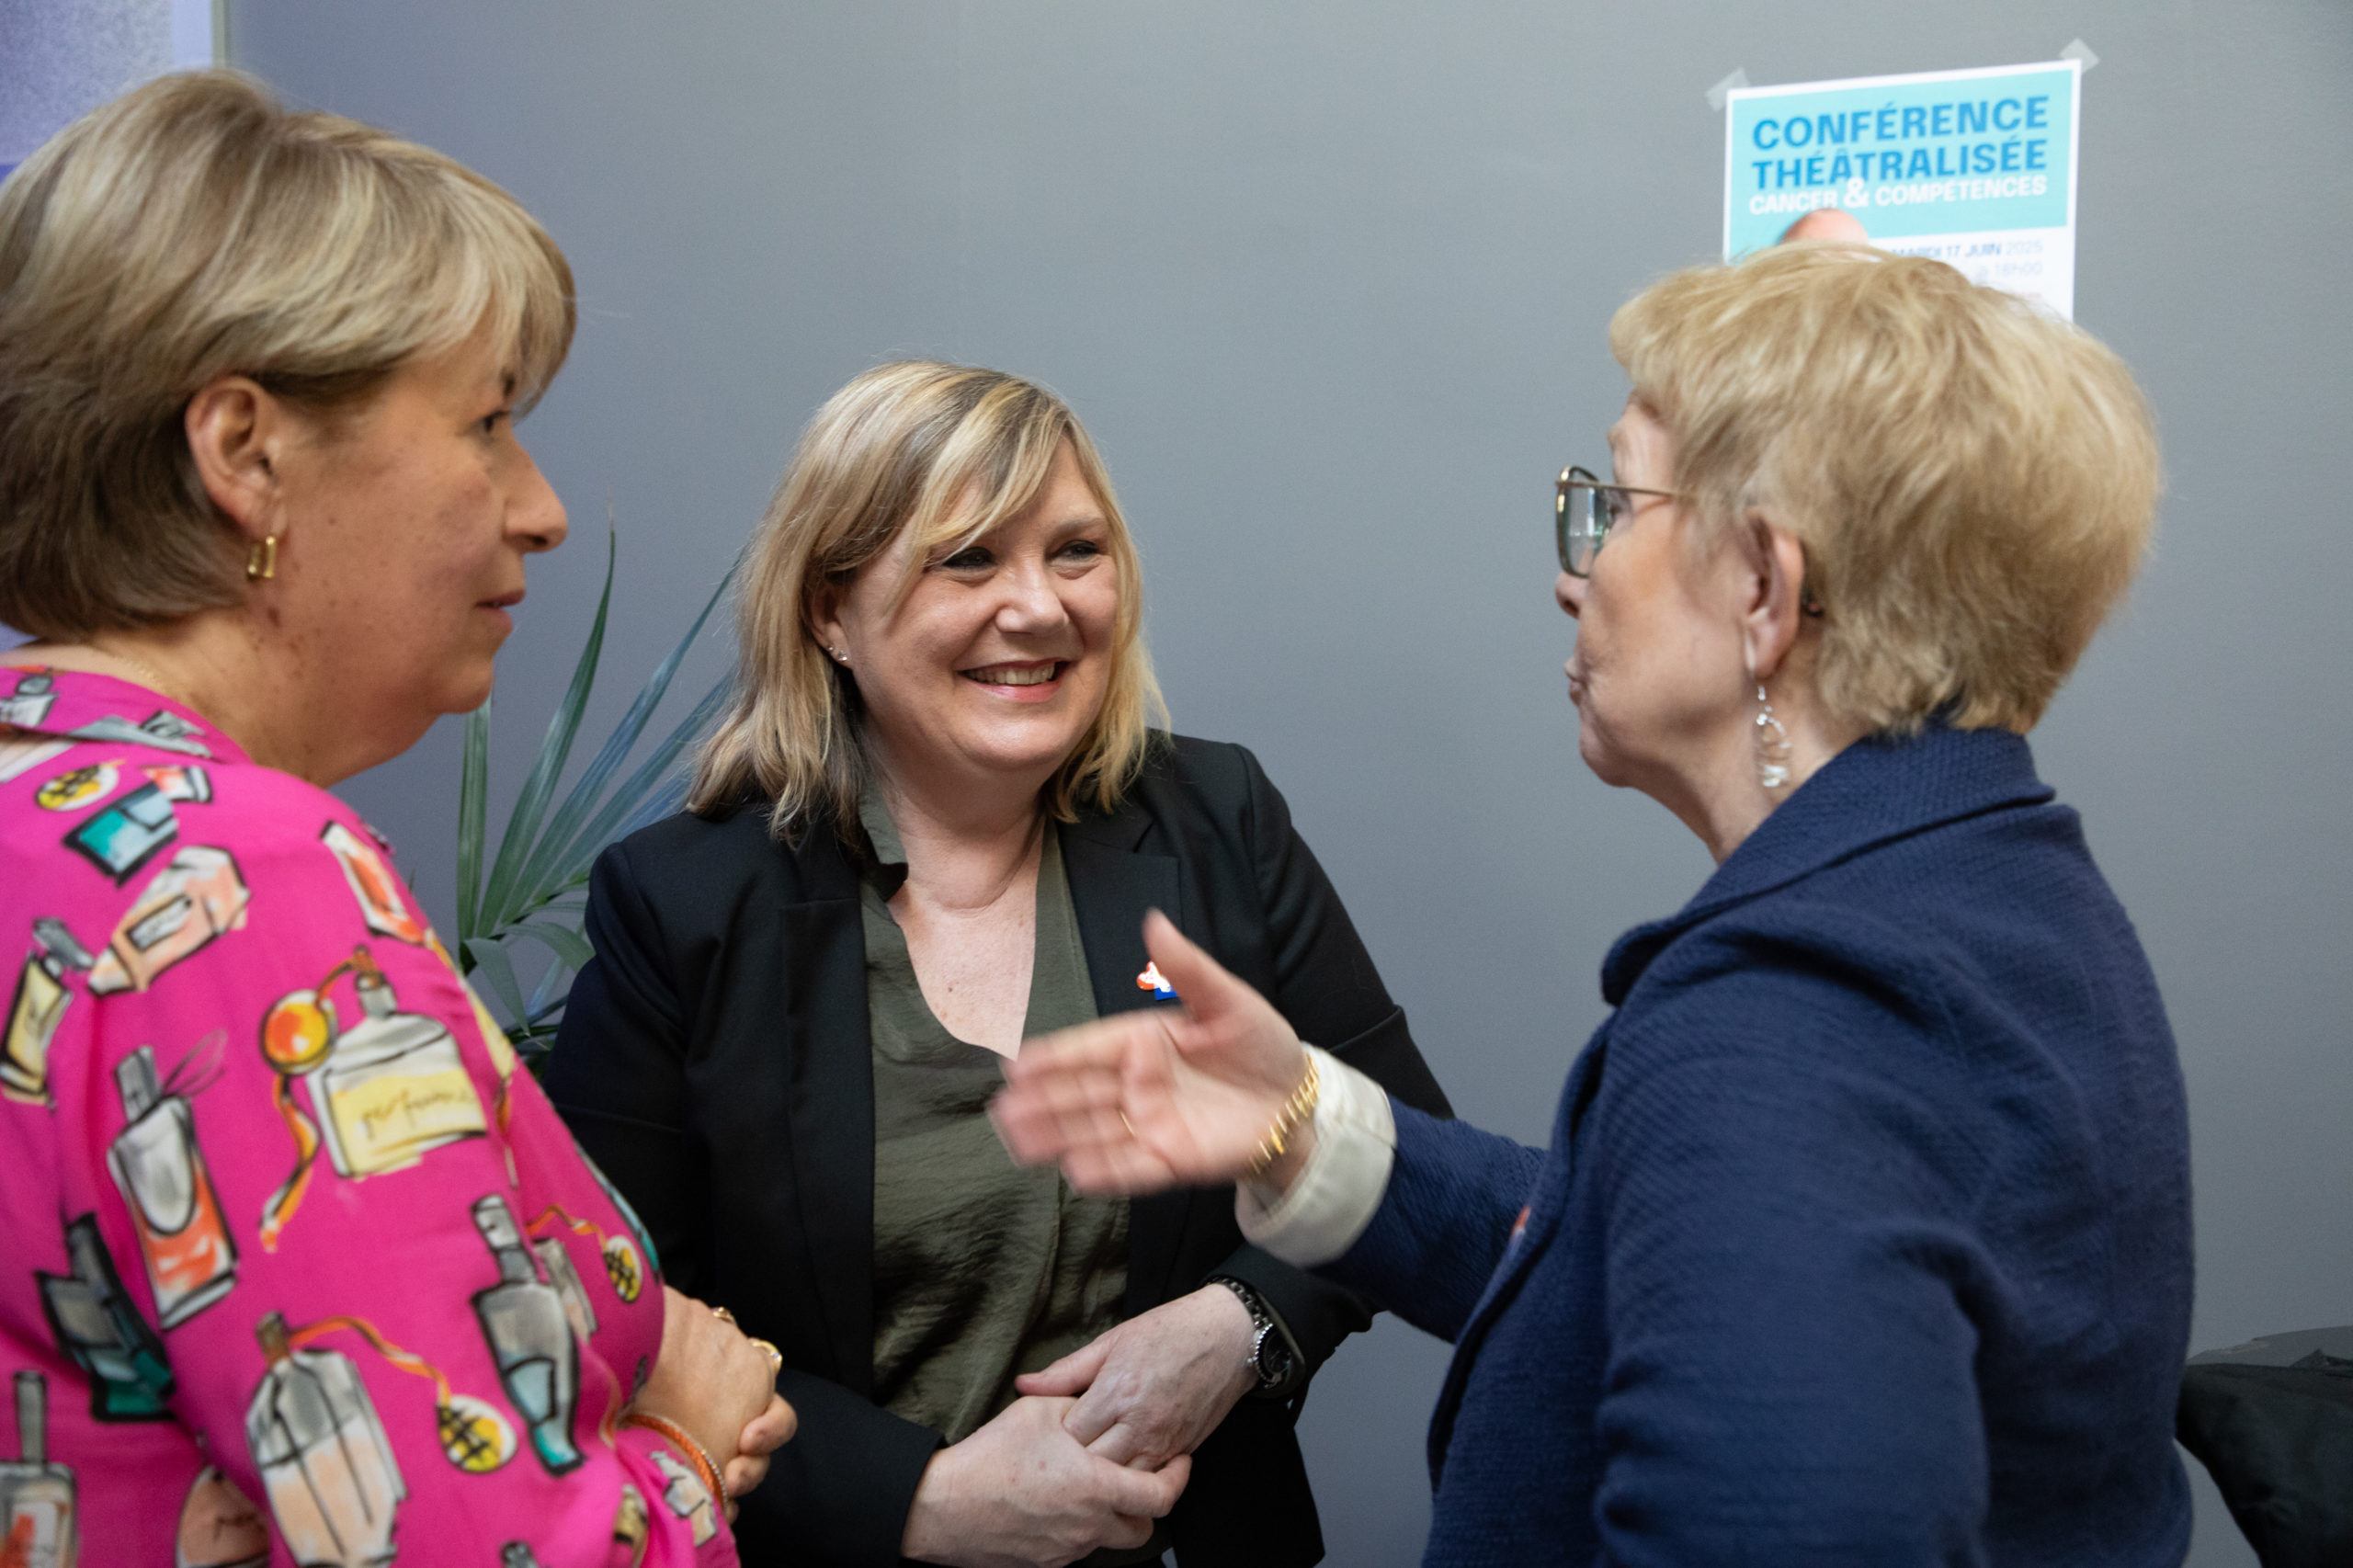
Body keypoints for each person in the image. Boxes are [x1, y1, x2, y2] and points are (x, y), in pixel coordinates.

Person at [994, 244, 2193, 1565]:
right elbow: (1634, 1248)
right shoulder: (2002, 883)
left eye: (1615, 504)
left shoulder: (1787, 1031)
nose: (1577, 574)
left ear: (1763, 589)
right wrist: (1298, 1123)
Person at [0, 72, 790, 1566]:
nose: (542, 506)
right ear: (247, 453)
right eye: (487, 423)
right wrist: (682, 1450)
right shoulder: (237, 887)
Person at [543, 361, 1453, 1568]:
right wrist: (917, 1500)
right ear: (829, 610)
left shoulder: (1216, 820)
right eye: (967, 560)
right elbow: (607, 1318)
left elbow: (1406, 1149)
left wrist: (1240, 1324)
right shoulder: (684, 906)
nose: (1038, 607)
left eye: (1076, 551)